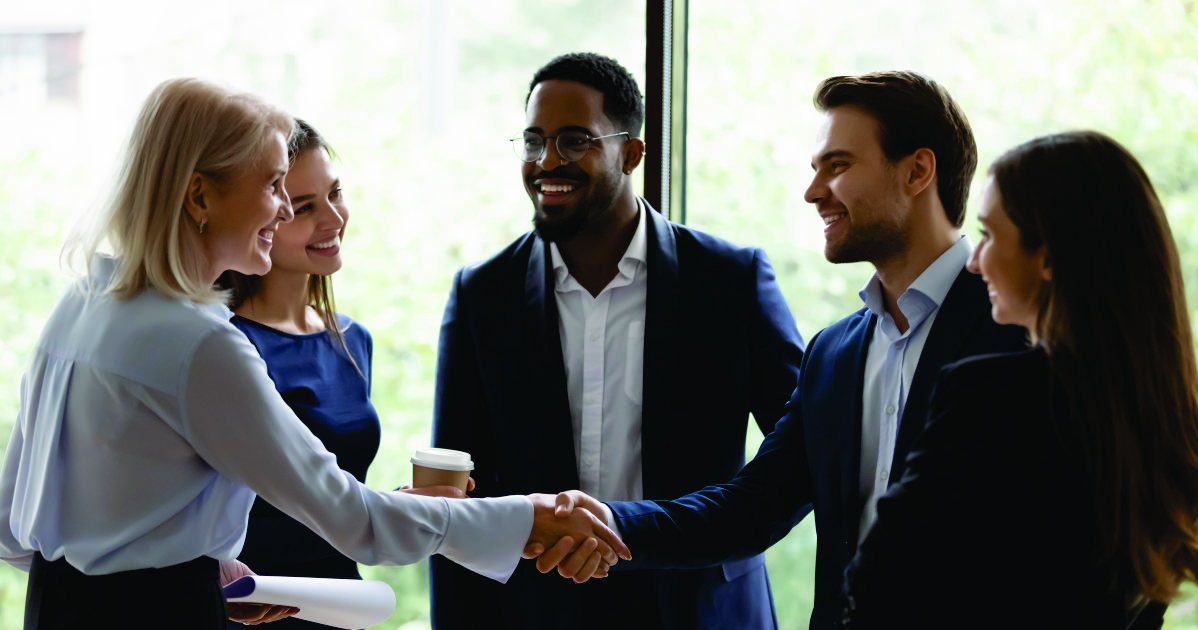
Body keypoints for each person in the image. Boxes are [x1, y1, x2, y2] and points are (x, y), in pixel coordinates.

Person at [0, 77, 627, 630]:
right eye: (275, 186)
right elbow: (353, 519)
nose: (283, 208)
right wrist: (529, 518)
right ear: (199, 198)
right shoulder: (203, 344)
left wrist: (190, 570)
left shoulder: (83, 302)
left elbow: (13, 522)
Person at [533, 71, 1030, 628]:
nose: (814, 191)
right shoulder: (833, 355)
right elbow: (751, 508)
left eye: (837, 166)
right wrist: (611, 523)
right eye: (815, 169)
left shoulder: (1023, 334)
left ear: (917, 171)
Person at [428, 52, 805, 629]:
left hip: (702, 603)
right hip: (537, 609)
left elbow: (803, 451)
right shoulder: (483, 294)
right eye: (534, 141)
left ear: (631, 153)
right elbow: (456, 495)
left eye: (575, 141)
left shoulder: (731, 281)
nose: (548, 161)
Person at [841, 130, 1197, 628]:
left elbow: (878, 580)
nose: (974, 259)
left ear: (1047, 257)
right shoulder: (1165, 413)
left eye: (988, 234)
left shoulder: (989, 394)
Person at [218, 120, 440, 630]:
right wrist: (379, 518)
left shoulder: (351, 339)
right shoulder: (224, 345)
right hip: (255, 605)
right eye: (304, 206)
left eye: (336, 194)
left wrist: (397, 508)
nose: (335, 218)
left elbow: (339, 492)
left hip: (342, 605)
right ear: (260, 215)